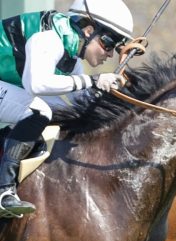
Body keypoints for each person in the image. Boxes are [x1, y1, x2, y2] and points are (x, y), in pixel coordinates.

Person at [0, 0, 132, 217]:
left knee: (62, 113)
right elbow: (37, 84)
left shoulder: (70, 54)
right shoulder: (48, 39)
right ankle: (4, 191)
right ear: (88, 30)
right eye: (109, 43)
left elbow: (82, 102)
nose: (109, 54)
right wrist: (93, 80)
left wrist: (120, 91)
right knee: (39, 112)